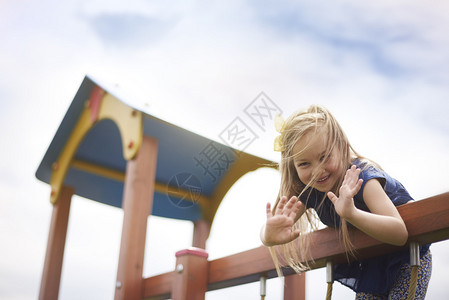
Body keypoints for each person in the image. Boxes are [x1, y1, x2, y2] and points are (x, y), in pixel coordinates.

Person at [260, 105, 431, 299]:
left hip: (408, 259)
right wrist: (268, 236)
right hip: (373, 262)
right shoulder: (309, 191)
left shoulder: (363, 179)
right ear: (294, 166)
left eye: (324, 157)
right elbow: (275, 226)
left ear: (341, 148)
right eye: (304, 163)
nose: (317, 170)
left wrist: (352, 213)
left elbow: (400, 233)